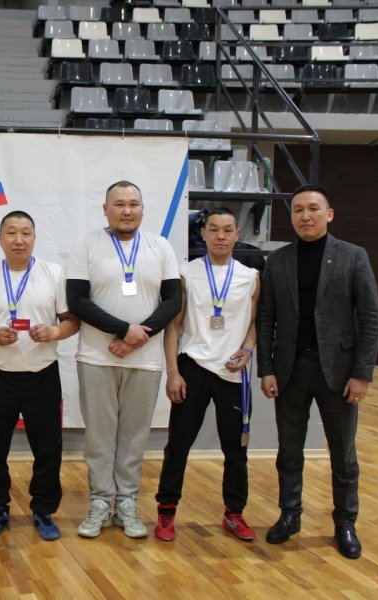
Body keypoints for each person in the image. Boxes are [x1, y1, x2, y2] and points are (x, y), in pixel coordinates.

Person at [257, 184, 378, 559]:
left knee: (343, 455)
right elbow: (266, 319)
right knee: (288, 451)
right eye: (298, 209)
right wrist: (266, 368)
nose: (305, 216)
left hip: (340, 373)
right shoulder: (277, 260)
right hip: (290, 370)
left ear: (329, 214)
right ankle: (290, 515)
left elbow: (371, 318)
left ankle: (345, 522)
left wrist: (362, 373)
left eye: (313, 208)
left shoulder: (353, 256)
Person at [66, 180, 181, 539]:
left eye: (133, 204)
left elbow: (173, 301)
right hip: (96, 358)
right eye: (119, 204)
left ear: (143, 209)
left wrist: (136, 337)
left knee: (134, 438)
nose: (126, 210)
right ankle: (101, 502)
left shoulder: (160, 246)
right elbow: (77, 300)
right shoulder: (87, 244)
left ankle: (127, 503)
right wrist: (122, 330)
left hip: (144, 361)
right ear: (105, 210)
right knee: (99, 438)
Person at [0, 211, 78, 541]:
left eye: (25, 233)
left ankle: (43, 510)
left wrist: (53, 332)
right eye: (11, 233)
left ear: (34, 238)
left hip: (42, 374)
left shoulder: (53, 273)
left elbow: (72, 321)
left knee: (48, 448)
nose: (18, 239)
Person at [154, 207, 260, 542]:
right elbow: (173, 327)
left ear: (237, 235)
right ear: (203, 234)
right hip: (193, 367)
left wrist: (248, 350)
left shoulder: (250, 276)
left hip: (233, 372)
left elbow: (254, 323)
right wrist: (173, 372)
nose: (220, 236)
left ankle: (234, 514)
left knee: (236, 450)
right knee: (178, 445)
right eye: (213, 229)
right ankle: (166, 513)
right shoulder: (186, 273)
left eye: (227, 230)